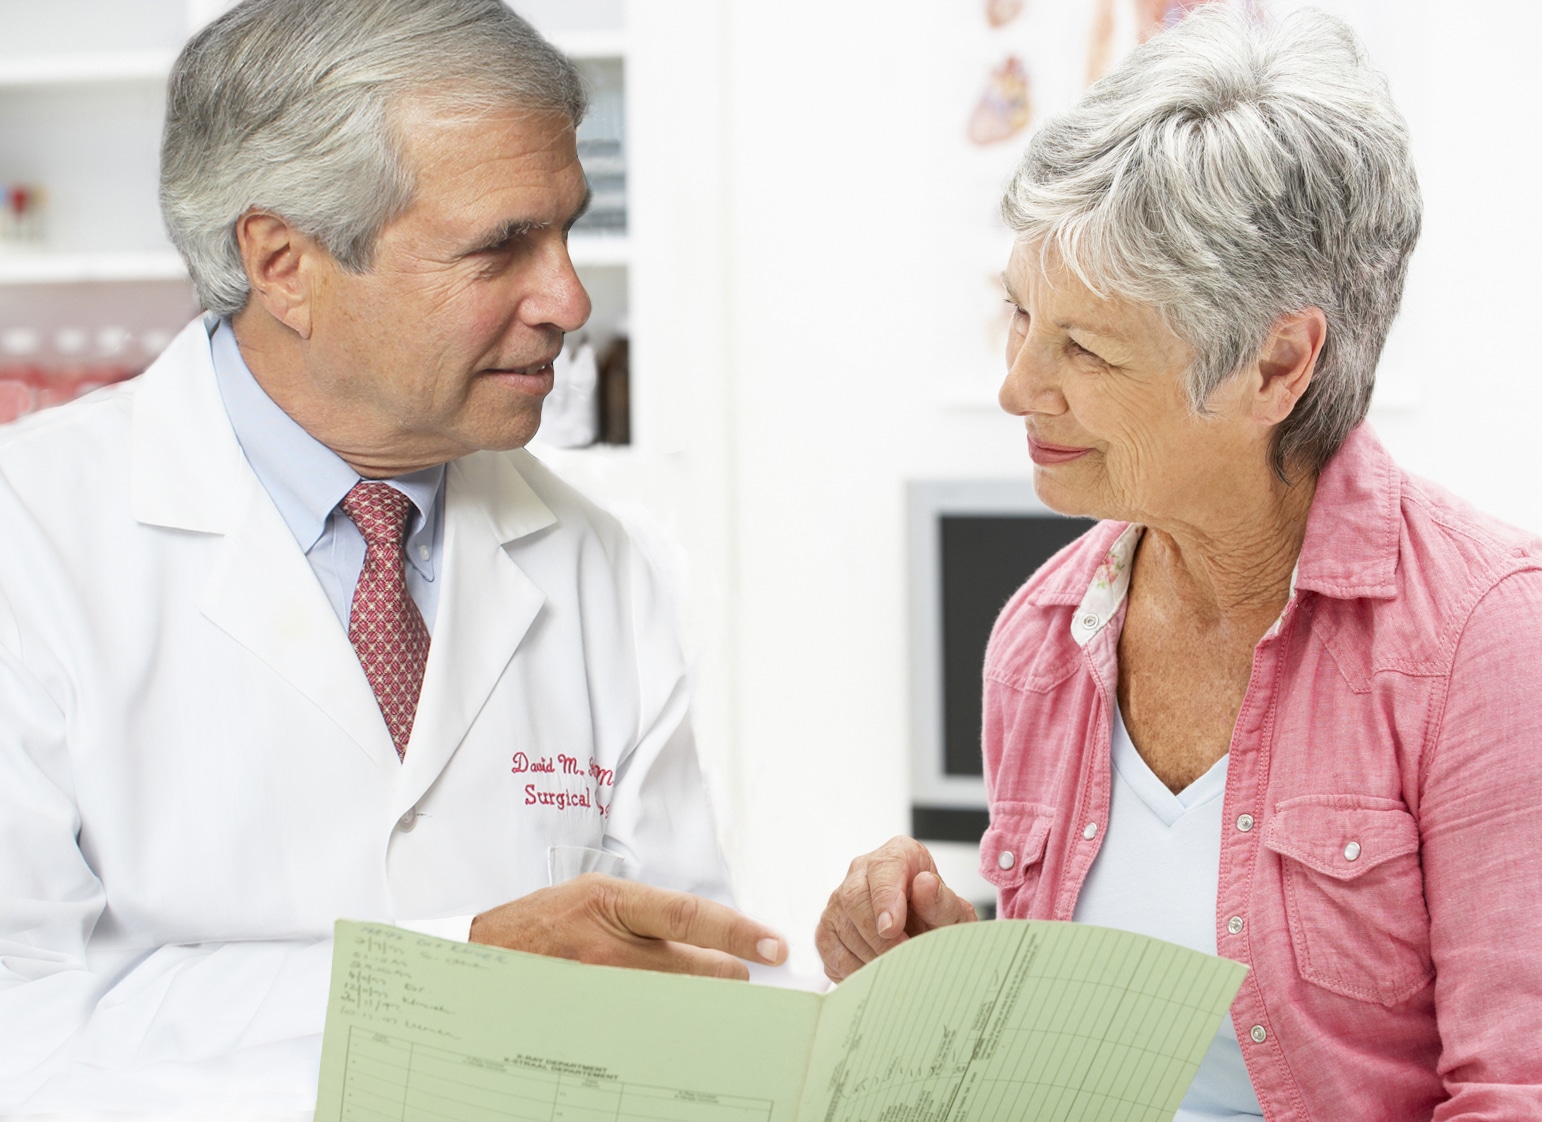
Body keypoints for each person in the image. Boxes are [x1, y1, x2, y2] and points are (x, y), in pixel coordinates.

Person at [0, 0, 785, 1114]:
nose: (569, 298)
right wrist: (457, 979)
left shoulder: (600, 561)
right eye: (500, 245)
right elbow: (22, 1020)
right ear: (282, 262)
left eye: (568, 229)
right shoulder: (27, 545)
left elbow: (678, 976)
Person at [818, 8, 1542, 1119]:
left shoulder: (1488, 641)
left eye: (1087, 348)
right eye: (1019, 314)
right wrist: (950, 974)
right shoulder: (1041, 638)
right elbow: (1089, 1059)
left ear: (1276, 364)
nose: (1019, 384)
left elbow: (1515, 1087)